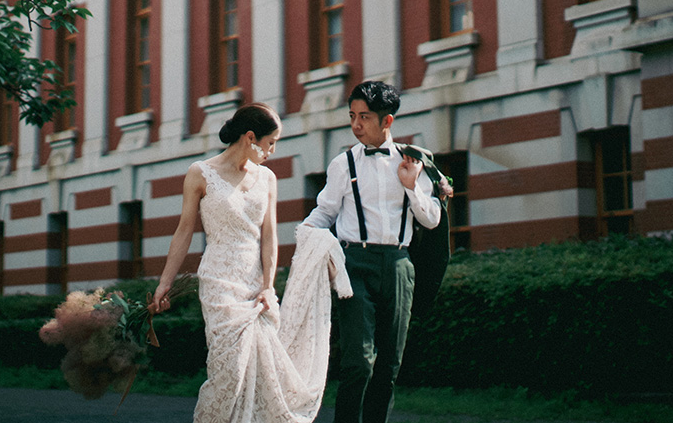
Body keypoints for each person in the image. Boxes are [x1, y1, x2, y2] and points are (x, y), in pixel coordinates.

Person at [151, 102, 350, 423]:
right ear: (250, 137)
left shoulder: (267, 178)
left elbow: (269, 236)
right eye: (270, 143)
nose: (272, 150)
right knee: (228, 371)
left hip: (255, 285)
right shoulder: (199, 173)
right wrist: (165, 283)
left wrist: (269, 286)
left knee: (261, 376)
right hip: (218, 283)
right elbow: (184, 231)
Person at [301, 81, 452, 423]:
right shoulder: (343, 165)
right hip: (355, 265)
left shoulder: (413, 161)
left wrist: (412, 187)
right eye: (352, 116)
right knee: (358, 361)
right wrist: (306, 234)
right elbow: (324, 211)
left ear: (387, 122)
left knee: (390, 364)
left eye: (364, 117)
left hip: (400, 266)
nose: (356, 125)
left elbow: (430, 219)